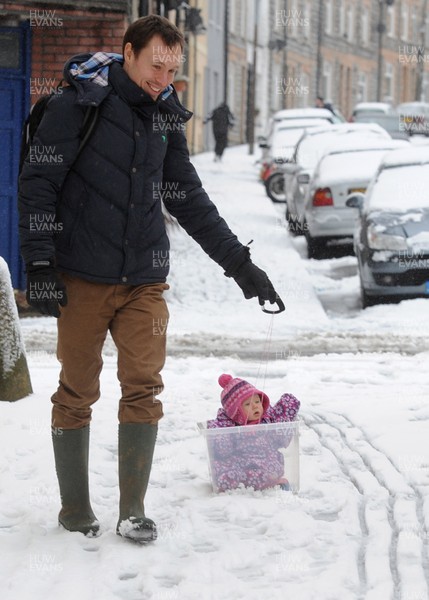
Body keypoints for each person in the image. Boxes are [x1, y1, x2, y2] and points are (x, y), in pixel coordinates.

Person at [18, 15, 282, 544]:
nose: (163, 78)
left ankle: (132, 509)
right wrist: (42, 265)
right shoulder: (77, 107)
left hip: (144, 278)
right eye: (155, 65)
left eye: (173, 69)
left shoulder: (164, 118)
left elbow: (188, 199)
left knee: (144, 386)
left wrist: (241, 266)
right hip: (82, 275)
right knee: (76, 391)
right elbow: (38, 186)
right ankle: (75, 509)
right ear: (129, 52)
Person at [206, 374, 300, 492]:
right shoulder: (228, 424)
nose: (256, 406)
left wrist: (287, 408)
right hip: (240, 462)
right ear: (235, 412)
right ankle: (237, 484)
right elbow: (221, 451)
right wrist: (227, 437)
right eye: (248, 404)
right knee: (223, 473)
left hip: (266, 460)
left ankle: (272, 482)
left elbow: (281, 435)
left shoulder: (269, 419)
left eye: (257, 401)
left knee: (270, 472)